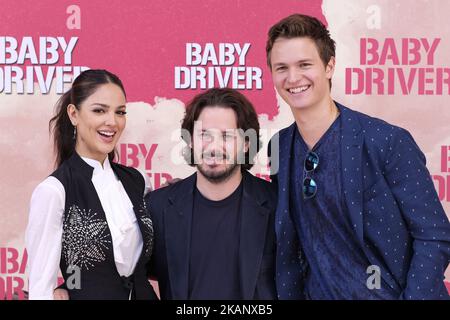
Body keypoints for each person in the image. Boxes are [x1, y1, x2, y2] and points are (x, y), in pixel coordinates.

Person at [266, 14, 450, 300]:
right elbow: (290, 245)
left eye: (304, 65)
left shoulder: (385, 140)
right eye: (282, 68)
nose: (293, 78)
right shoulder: (280, 146)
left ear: (329, 66)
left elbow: (434, 236)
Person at [26, 69, 157, 300]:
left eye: (120, 112)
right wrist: (66, 286)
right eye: (99, 110)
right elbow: (40, 286)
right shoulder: (54, 191)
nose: (112, 121)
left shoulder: (138, 181)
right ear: (74, 114)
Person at [146, 88, 277, 299]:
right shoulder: (157, 207)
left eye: (226, 136)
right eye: (204, 135)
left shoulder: (278, 207)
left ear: (246, 144)